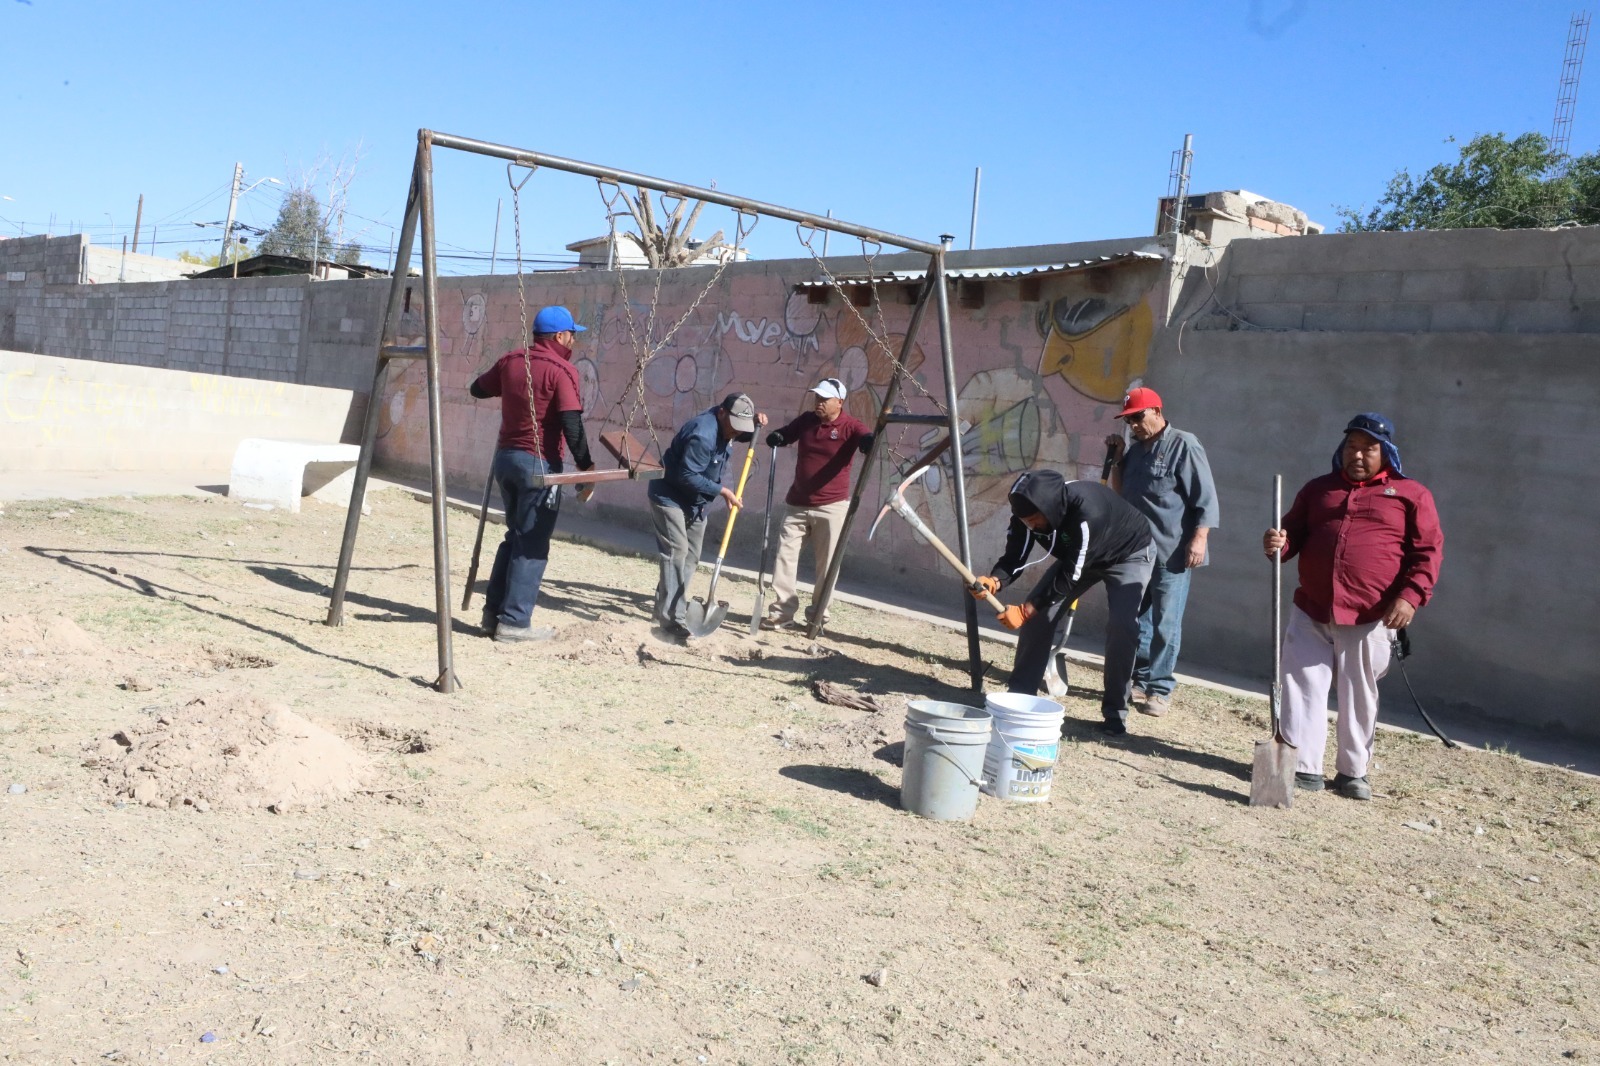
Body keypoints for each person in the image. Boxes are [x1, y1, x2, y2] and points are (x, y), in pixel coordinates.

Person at [1262, 413, 1443, 800]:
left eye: (1368, 449)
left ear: (1386, 453)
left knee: (1358, 693)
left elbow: (1427, 554)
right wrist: (1279, 543)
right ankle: (1302, 767)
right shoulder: (1318, 490)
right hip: (1312, 608)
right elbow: (1292, 533)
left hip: (1370, 614)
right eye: (1351, 447)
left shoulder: (1411, 495)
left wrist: (1410, 597)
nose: (1357, 456)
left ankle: (1352, 772)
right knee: (1300, 686)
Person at [973, 470, 1156, 736]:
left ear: (1052, 508)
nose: (1032, 526)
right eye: (1026, 522)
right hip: (1081, 557)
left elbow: (1070, 576)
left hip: (1129, 554)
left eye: (1035, 521)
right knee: (1040, 617)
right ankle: (1019, 698)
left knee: (1122, 626)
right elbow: (1015, 557)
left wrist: (1026, 610)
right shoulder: (1027, 515)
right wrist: (995, 581)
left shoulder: (1086, 514)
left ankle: (1115, 712)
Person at [468, 305, 596, 643]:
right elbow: (572, 423)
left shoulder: (512, 361)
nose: (573, 341)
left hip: (506, 461)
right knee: (533, 545)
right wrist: (587, 467)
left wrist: (514, 394)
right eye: (572, 335)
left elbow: (477, 389)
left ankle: (491, 616)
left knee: (515, 537)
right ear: (559, 336)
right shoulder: (562, 369)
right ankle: (514, 623)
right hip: (538, 465)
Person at [1105, 386, 1220, 718]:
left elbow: (1205, 498)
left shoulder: (1184, 444)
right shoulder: (1137, 451)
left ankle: (1159, 689)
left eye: (1138, 417)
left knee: (1166, 623)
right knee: (1136, 620)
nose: (1134, 425)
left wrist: (1199, 539)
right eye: (1128, 420)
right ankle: (1139, 680)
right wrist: (1117, 458)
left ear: (1156, 410)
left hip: (1173, 552)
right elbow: (1122, 492)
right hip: (1137, 551)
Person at [648, 392, 768, 639]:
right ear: (721, 412)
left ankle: (665, 607)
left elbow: (739, 430)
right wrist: (723, 491)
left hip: (696, 502)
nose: (736, 433)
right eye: (734, 427)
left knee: (690, 556)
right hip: (670, 496)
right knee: (676, 552)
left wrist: (754, 423)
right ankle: (671, 620)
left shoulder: (727, 425)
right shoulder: (703, 434)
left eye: (740, 427)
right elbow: (687, 475)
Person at [760, 377, 873, 631]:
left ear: (839, 402)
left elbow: (866, 437)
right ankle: (781, 613)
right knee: (784, 557)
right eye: (817, 397)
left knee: (827, 566)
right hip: (797, 503)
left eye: (824, 399)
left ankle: (817, 618)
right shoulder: (807, 420)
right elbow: (788, 433)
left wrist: (868, 442)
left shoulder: (850, 426)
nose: (818, 403)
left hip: (832, 507)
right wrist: (778, 436)